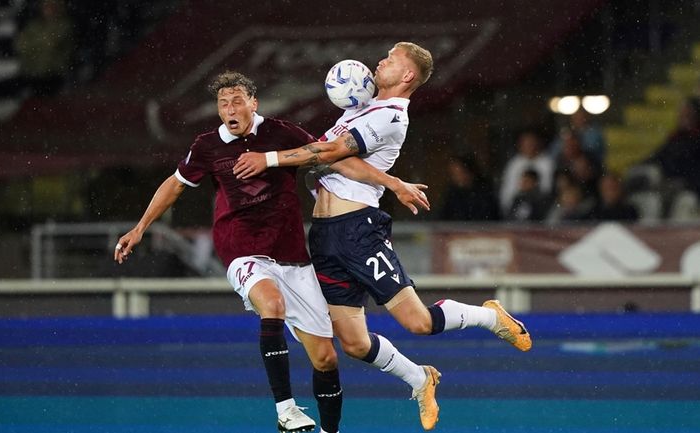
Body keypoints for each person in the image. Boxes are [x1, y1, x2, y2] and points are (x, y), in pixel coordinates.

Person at [235, 42, 532, 431]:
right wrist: (390, 181)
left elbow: (331, 151)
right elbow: (343, 160)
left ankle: (487, 316)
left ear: (407, 75)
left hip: (360, 232)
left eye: (391, 59)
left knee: (418, 323)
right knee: (354, 344)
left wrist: (270, 159)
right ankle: (419, 378)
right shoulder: (358, 106)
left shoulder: (392, 116)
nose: (380, 61)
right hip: (324, 238)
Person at [114, 71, 430, 433]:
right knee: (272, 304)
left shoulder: (283, 134)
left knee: (326, 358)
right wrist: (139, 228)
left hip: (292, 254)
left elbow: (337, 158)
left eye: (236, 101)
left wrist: (393, 182)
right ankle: (286, 409)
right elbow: (175, 184)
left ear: (253, 103)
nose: (229, 109)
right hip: (242, 248)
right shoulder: (207, 146)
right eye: (223, 104)